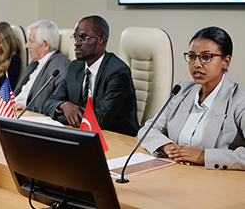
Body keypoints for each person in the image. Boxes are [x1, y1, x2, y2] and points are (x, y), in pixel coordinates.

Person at [138, 26, 245, 170]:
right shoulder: (182, 90)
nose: (196, 64)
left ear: (226, 61)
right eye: (192, 56)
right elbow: (147, 129)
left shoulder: (239, 100)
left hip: (217, 183)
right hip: (176, 174)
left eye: (206, 57)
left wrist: (203, 156)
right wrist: (167, 147)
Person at [43, 15, 140, 136]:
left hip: (116, 139)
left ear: (102, 40)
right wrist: (63, 105)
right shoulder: (75, 67)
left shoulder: (117, 72)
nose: (77, 43)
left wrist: (69, 115)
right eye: (75, 37)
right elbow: (48, 103)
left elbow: (99, 120)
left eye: (83, 38)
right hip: (83, 135)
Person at [0, 20, 71, 114]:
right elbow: (15, 97)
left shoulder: (60, 65)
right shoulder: (34, 64)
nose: (27, 46)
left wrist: (29, 109)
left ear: (45, 44)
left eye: (31, 41)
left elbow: (55, 105)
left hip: (28, 117)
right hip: (12, 111)